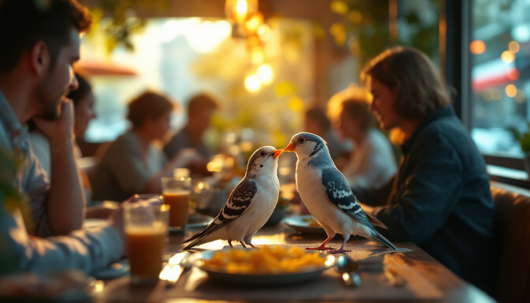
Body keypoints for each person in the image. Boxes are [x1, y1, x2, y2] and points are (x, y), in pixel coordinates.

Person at [354, 47, 498, 294]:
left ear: (401, 89)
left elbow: (408, 223)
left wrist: (349, 212)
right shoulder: (426, 135)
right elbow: (380, 193)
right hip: (428, 270)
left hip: (451, 285)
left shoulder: (439, 139)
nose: (371, 107)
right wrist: (325, 191)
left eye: (376, 95)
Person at [0, 0, 126, 274]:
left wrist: (62, 140)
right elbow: (16, 263)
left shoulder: (14, 137)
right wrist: (115, 236)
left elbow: (59, 227)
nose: (74, 83)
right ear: (40, 57)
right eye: (71, 63)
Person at [92, 91, 202, 202]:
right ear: (149, 121)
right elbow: (148, 189)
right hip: (110, 216)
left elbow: (166, 181)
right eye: (167, 120)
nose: (170, 127)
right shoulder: (124, 144)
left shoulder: (152, 148)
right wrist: (183, 158)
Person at [29, 73, 95, 205]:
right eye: (89, 106)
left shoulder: (69, 147)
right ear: (66, 105)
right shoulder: (37, 147)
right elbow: (50, 219)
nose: (94, 115)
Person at [327, 87, 396, 188]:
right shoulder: (360, 143)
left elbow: (361, 184)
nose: (337, 125)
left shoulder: (373, 144)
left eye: (343, 119)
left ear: (357, 121)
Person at [163, 93, 220, 160]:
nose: (208, 125)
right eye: (204, 119)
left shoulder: (200, 142)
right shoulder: (175, 143)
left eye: (210, 120)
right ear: (191, 116)